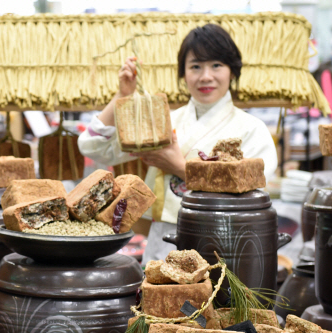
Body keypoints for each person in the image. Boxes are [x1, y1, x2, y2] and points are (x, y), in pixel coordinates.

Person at [78, 24, 277, 264]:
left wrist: (178, 166)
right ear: (183, 74)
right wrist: (122, 96)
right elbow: (93, 146)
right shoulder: (164, 120)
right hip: (163, 241)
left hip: (224, 242)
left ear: (232, 71)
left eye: (216, 65)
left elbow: (253, 195)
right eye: (195, 66)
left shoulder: (251, 128)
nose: (205, 76)